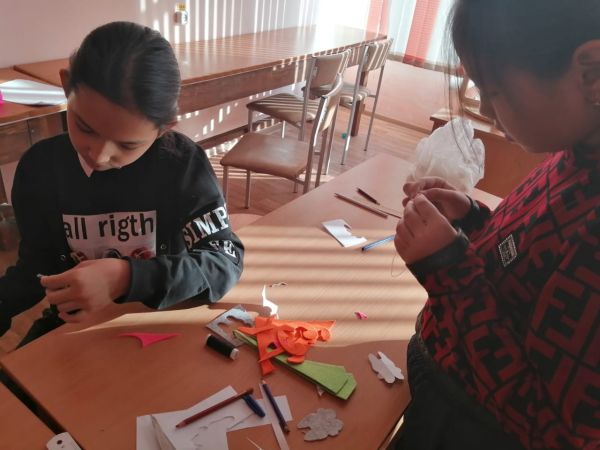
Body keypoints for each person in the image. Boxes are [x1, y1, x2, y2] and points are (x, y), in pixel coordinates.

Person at [393, 1, 600, 449]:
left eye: (495, 90)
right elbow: (534, 261)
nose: (485, 108)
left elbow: (553, 431)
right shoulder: (579, 149)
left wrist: (446, 266)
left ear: (592, 73)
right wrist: (471, 219)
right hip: (443, 391)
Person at [0, 21, 244, 346]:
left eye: (127, 144)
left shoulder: (182, 166)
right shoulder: (40, 169)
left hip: (164, 317)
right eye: (85, 127)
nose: (99, 156)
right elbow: (37, 266)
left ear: (164, 128)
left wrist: (126, 277)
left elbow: (223, 261)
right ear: (66, 86)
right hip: (74, 322)